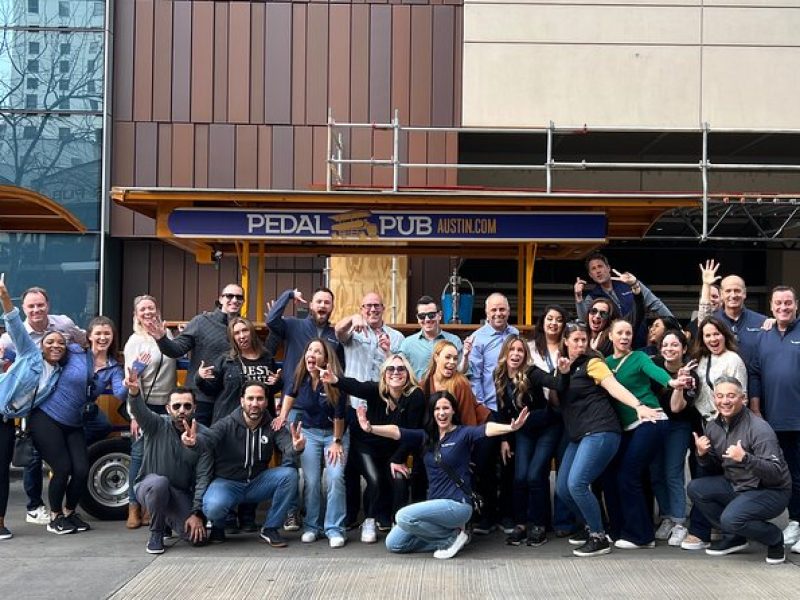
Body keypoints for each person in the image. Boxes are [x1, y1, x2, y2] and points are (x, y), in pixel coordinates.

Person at [358, 390, 530, 559]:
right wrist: (370, 428)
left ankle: (450, 538)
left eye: (446, 408)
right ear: (432, 412)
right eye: (437, 409)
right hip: (436, 507)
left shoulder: (464, 433)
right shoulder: (426, 437)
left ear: (453, 410)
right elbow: (396, 431)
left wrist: (510, 427)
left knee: (403, 516)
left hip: (458, 505)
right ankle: (450, 538)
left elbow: (487, 429)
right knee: (394, 543)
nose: (441, 413)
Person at [556, 320, 662, 557]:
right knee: (563, 489)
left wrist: (638, 405)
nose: (581, 344)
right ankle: (591, 524)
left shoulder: (594, 363)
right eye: (576, 340)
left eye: (584, 339)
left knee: (577, 484)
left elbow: (613, 386)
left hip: (600, 430)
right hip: (578, 434)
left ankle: (598, 536)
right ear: (565, 342)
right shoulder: (564, 368)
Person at [29, 315, 126, 535]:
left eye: (107, 333)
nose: (102, 337)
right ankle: (55, 517)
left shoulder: (113, 367)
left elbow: (120, 392)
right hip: (47, 417)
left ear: (113, 337)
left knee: (82, 470)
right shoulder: (74, 351)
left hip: (74, 423)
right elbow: (48, 351)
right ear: (89, 336)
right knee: (62, 468)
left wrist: (132, 384)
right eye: (98, 333)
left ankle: (69, 511)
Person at [0, 285, 85, 526]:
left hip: (10, 418)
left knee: (12, 467)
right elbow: (14, 324)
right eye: (50, 343)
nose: (56, 345)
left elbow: (83, 340)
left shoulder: (58, 372)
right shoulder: (28, 351)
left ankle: (46, 510)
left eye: (60, 343)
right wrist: (5, 299)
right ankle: (35, 507)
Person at [602, 319, 690, 550]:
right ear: (610, 336)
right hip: (626, 428)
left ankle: (641, 536)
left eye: (628, 333)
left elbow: (657, 372)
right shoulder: (606, 362)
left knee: (628, 476)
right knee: (615, 476)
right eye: (619, 333)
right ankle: (619, 528)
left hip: (651, 421)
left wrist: (673, 382)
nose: (624, 337)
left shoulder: (640, 357)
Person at [321, 353, 426, 543]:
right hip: (366, 445)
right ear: (384, 374)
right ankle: (369, 520)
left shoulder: (415, 396)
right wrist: (335, 380)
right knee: (375, 480)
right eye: (391, 369)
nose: (396, 372)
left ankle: (399, 524)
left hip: (392, 451)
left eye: (401, 369)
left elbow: (411, 432)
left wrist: (397, 459)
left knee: (400, 479)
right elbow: (356, 386)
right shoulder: (377, 390)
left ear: (408, 373)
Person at [688, 375, 790, 565]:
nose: (724, 401)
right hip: (737, 485)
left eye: (730, 396)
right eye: (720, 396)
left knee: (731, 519)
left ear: (742, 398)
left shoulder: (759, 429)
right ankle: (735, 536)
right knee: (696, 488)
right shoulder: (713, 426)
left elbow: (776, 472)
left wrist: (745, 458)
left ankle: (774, 538)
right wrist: (702, 454)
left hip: (770, 491)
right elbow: (715, 467)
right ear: (714, 398)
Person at [191, 381, 304, 547]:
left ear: (266, 402)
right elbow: (208, 439)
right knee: (213, 507)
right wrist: (194, 442)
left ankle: (270, 528)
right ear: (242, 401)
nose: (255, 404)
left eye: (259, 399)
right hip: (227, 483)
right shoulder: (226, 424)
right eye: (250, 398)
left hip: (257, 483)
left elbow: (287, 446)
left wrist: (295, 447)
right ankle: (218, 525)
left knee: (290, 475)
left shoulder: (272, 425)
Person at [334, 291, 404, 535]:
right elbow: (338, 331)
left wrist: (388, 352)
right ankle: (353, 515)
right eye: (367, 306)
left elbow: (400, 369)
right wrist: (353, 318)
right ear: (362, 308)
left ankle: (379, 514)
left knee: (384, 461)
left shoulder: (396, 336)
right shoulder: (353, 331)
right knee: (352, 467)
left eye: (376, 306)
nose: (372, 310)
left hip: (383, 408)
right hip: (355, 405)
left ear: (384, 308)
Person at [124, 369, 211, 555]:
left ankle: (167, 518)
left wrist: (196, 514)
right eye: (177, 406)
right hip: (149, 486)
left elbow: (203, 477)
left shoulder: (203, 435)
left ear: (195, 408)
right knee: (159, 483)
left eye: (187, 406)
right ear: (168, 408)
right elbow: (140, 411)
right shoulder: (156, 424)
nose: (182, 411)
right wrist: (134, 392)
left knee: (198, 539)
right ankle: (156, 533)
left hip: (178, 493)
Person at [494, 335, 570, 547]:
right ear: (505, 354)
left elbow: (556, 383)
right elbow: (503, 409)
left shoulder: (532, 373)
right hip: (523, 431)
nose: (516, 354)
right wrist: (504, 439)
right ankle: (521, 524)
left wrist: (563, 372)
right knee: (520, 477)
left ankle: (539, 524)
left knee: (536, 475)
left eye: (520, 350)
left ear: (525, 355)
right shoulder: (499, 375)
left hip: (547, 427)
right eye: (512, 350)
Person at [275, 339, 348, 547]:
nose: (312, 354)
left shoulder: (334, 380)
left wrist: (336, 441)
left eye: (317, 351)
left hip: (336, 434)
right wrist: (282, 416)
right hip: (310, 432)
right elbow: (289, 394)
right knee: (312, 480)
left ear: (326, 359)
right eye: (309, 350)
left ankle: (334, 528)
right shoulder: (300, 376)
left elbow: (339, 415)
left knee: (335, 477)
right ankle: (312, 526)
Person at [145, 283, 245, 426]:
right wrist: (161, 339)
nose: (234, 300)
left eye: (239, 297)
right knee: (195, 442)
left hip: (228, 400)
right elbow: (176, 350)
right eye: (229, 296)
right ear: (220, 299)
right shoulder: (201, 322)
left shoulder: (242, 328)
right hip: (201, 399)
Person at [748, 285, 800, 552]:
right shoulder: (763, 336)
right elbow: (755, 373)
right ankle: (794, 521)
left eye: (788, 303)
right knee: (782, 473)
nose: (783, 308)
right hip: (772, 419)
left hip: (798, 419)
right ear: (771, 306)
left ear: (796, 304)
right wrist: (756, 410)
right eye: (778, 303)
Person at [123, 294, 178, 529]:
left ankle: (151, 507)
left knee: (162, 456)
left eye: (151, 308)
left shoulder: (167, 335)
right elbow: (131, 379)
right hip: (144, 405)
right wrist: (134, 414)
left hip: (167, 404)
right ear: (136, 315)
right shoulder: (135, 341)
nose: (148, 312)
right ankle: (133, 507)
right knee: (139, 455)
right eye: (143, 309)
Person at [467, 293, 519, 534]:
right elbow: (474, 376)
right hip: (488, 410)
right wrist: (481, 408)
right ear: (486, 313)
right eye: (494, 310)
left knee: (509, 464)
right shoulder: (478, 338)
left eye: (502, 310)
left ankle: (507, 514)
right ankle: (486, 516)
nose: (498, 314)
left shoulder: (515, 335)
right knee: (485, 464)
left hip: (511, 410)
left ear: (509, 311)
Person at [528, 304, 576, 537]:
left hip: (566, 414)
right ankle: (541, 521)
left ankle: (563, 522)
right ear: (542, 321)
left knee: (564, 469)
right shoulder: (530, 348)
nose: (554, 323)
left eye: (559, 319)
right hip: (541, 415)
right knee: (539, 469)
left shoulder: (569, 348)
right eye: (550, 318)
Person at [649, 329, 700, 547]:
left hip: (678, 426)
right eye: (666, 345)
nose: (669, 349)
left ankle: (679, 521)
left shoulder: (690, 373)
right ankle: (668, 516)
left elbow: (676, 408)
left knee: (673, 472)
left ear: (684, 349)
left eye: (675, 345)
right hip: (654, 424)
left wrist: (679, 383)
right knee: (656, 473)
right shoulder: (653, 366)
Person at [574, 252, 673, 347]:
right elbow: (586, 322)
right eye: (593, 269)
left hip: (641, 343)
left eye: (600, 266)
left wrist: (675, 326)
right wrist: (578, 298)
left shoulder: (630, 283)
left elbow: (655, 303)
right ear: (591, 275)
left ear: (608, 268)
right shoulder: (592, 297)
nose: (598, 271)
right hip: (614, 348)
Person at [195, 316, 280, 424]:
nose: (242, 336)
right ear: (233, 338)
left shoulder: (267, 358)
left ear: (252, 332)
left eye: (245, 330)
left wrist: (277, 382)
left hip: (261, 422)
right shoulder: (226, 360)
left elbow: (271, 390)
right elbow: (211, 390)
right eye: (236, 333)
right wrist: (200, 377)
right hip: (229, 422)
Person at [697, 260, 766, 366]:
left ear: (744, 293)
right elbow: (703, 315)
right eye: (728, 291)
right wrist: (706, 285)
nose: (733, 295)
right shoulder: (713, 320)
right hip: (721, 379)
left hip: (754, 380)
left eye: (737, 290)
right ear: (721, 294)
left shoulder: (762, 321)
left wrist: (775, 322)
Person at [691, 316, 748, 423]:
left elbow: (742, 397)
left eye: (716, 334)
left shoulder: (733, 360)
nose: (713, 339)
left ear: (724, 335)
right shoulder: (701, 358)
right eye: (707, 335)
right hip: (701, 420)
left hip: (724, 422)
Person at [399, 296, 463, 381]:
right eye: (422, 316)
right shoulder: (407, 343)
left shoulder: (454, 341)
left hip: (447, 392)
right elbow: (397, 368)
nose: (427, 319)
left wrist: (465, 356)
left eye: (431, 315)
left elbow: (463, 372)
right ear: (417, 318)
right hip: (418, 392)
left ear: (439, 315)